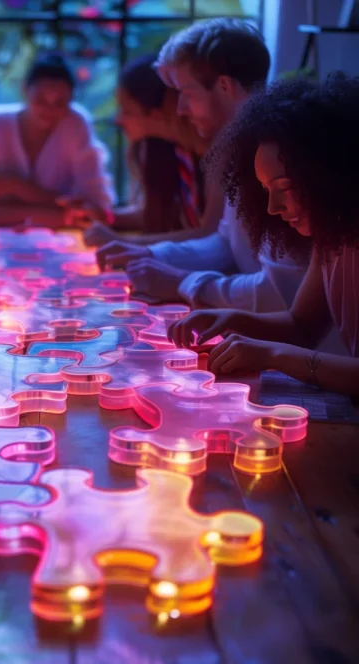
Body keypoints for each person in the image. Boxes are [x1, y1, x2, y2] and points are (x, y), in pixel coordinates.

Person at [95, 18, 308, 311]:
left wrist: (183, 282)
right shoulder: (238, 147)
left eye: (187, 93)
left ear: (224, 86)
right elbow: (225, 244)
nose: (180, 109)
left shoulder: (277, 157)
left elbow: (281, 292)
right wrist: (148, 254)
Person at [168, 74, 359, 394]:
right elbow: (301, 326)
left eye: (285, 187)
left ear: (331, 173)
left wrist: (273, 354)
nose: (272, 207)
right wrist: (231, 320)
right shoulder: (332, 236)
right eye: (265, 189)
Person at [0, 54, 115, 229]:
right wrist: (52, 207)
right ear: (24, 91)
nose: (49, 110)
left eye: (60, 102)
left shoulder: (76, 122)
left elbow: (97, 206)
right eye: (40, 99)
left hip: (57, 235)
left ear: (71, 100)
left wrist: (12, 187)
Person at [80, 54, 219, 247]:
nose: (118, 120)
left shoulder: (211, 152)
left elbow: (211, 235)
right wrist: (109, 218)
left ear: (156, 114)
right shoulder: (165, 150)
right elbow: (166, 212)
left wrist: (123, 242)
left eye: (127, 111)